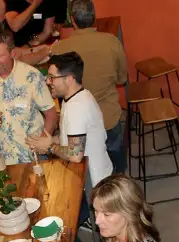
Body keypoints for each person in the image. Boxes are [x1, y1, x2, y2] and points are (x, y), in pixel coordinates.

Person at [50, 0, 128, 175]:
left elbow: (56, 88)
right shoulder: (112, 42)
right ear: (94, 17)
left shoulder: (60, 49)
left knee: (84, 172)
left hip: (77, 125)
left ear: (72, 19)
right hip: (109, 117)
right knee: (116, 163)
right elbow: (122, 78)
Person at [0, 30, 58, 166]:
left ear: (13, 53)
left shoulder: (31, 76)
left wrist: (43, 142)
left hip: (33, 155)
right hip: (3, 157)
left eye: (0, 55)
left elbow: (51, 115)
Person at [28, 51, 113, 188]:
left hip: (92, 180)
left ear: (68, 79)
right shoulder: (78, 96)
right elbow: (74, 136)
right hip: (95, 171)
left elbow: (75, 155)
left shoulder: (76, 108)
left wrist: (50, 147)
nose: (47, 82)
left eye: (52, 78)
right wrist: (51, 140)